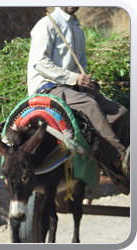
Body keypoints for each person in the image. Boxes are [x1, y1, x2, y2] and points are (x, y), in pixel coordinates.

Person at [27, 7, 130, 194]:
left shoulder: (77, 29)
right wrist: (73, 79)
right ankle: (120, 158)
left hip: (72, 88)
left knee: (121, 114)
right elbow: (40, 63)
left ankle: (117, 171)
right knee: (91, 106)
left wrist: (86, 84)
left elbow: (81, 65)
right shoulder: (46, 25)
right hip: (48, 89)